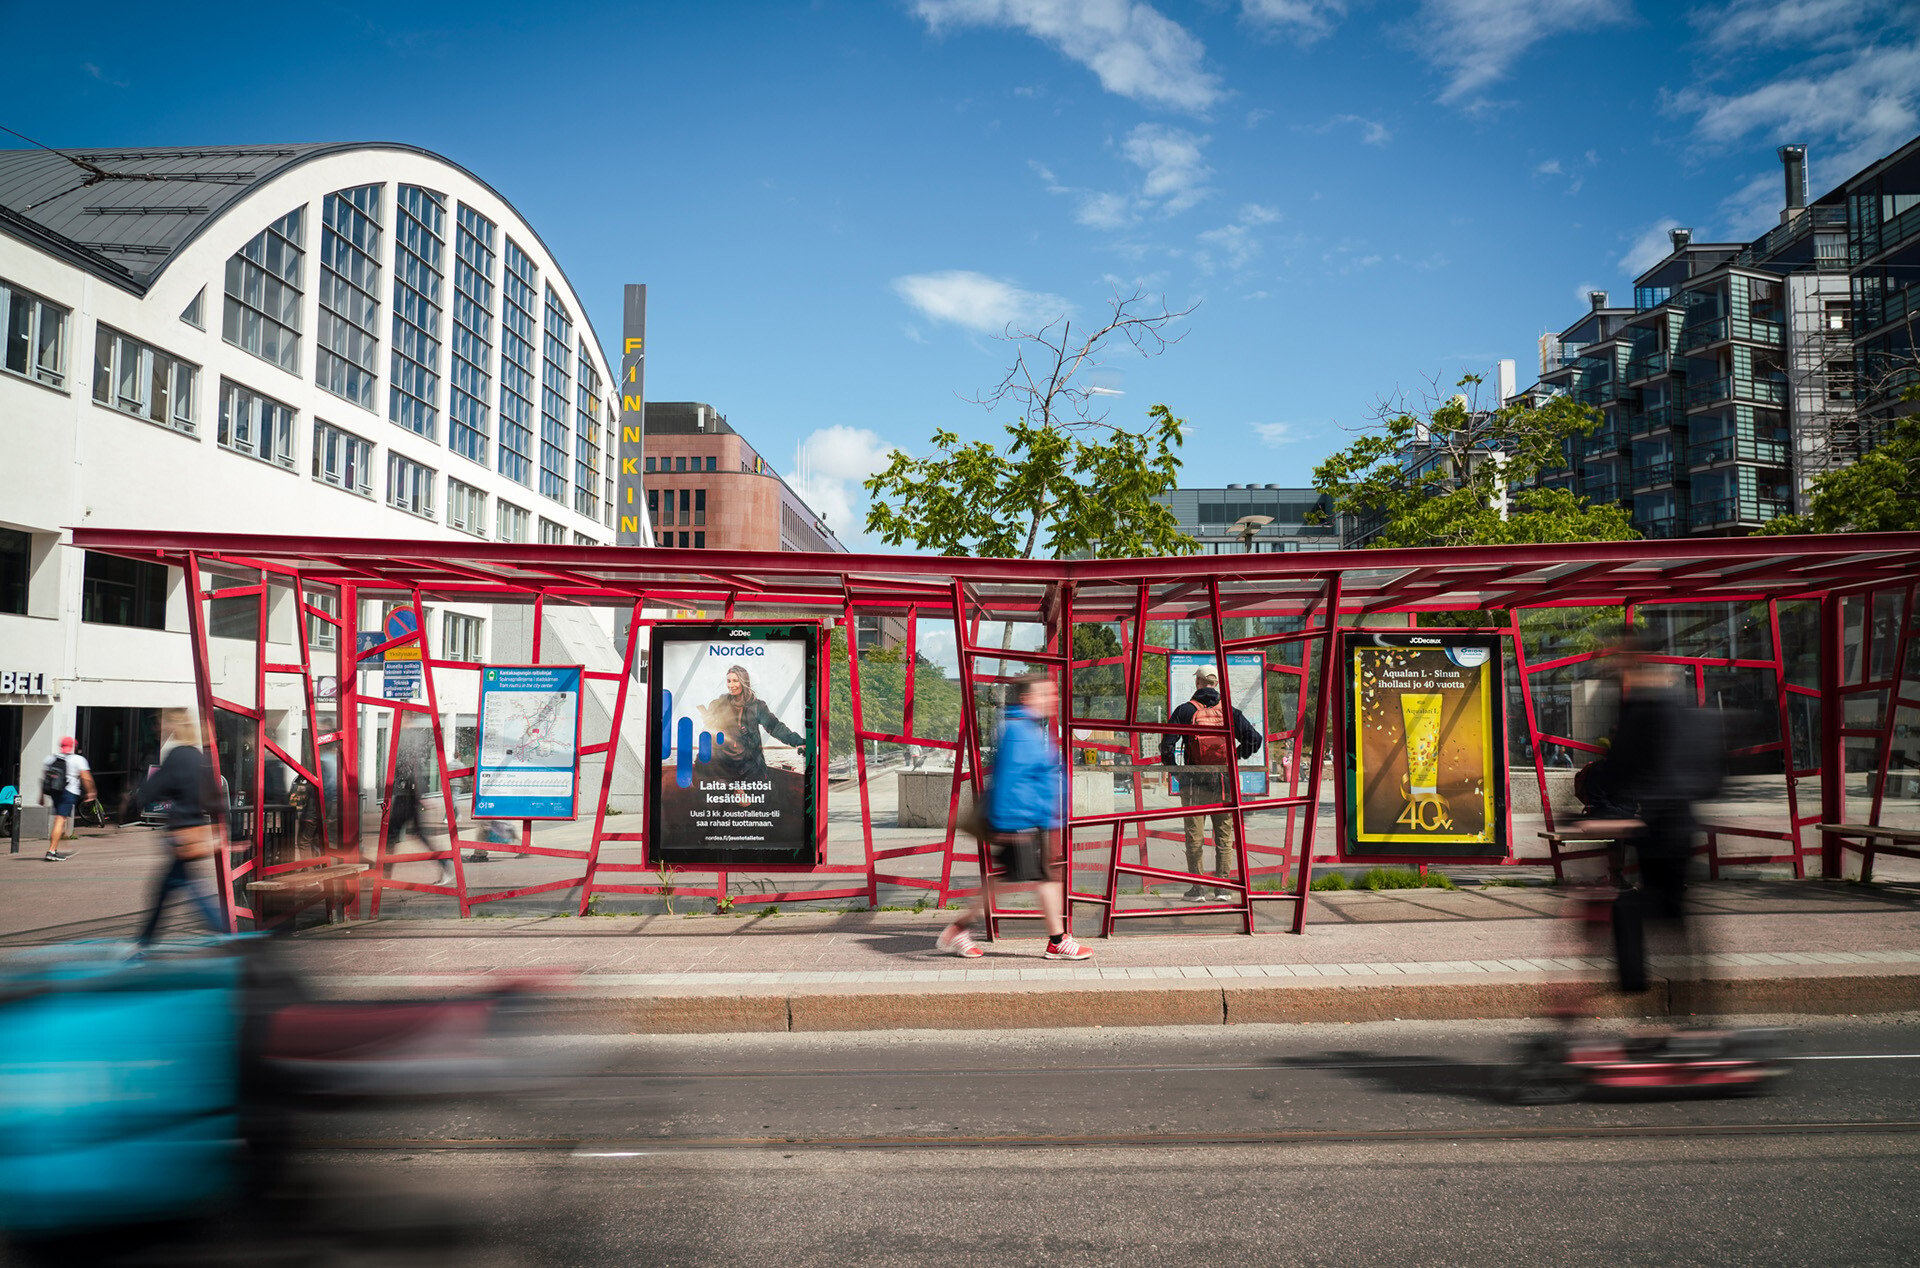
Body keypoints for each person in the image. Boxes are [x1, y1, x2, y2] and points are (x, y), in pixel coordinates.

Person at [1595, 634, 1724, 1004]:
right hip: (1678, 827)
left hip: (1660, 829)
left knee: (1630, 909)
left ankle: (1639, 994)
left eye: (1619, 659)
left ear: (1633, 660)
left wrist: (1595, 814)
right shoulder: (1677, 708)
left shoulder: (1642, 708)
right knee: (1671, 917)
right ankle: (1691, 1012)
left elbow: (1620, 770)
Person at [936, 673, 1092, 961]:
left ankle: (960, 928)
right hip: (1020, 821)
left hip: (1028, 819)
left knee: (1012, 880)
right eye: (1045, 694)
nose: (1052, 699)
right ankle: (1057, 941)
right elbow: (1009, 778)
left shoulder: (1028, 728)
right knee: (1043, 879)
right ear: (1027, 699)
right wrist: (1007, 824)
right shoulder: (1020, 731)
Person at [1159, 668, 1263, 899]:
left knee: (1194, 836)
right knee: (1224, 837)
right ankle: (1223, 888)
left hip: (1194, 785)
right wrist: (1234, 757)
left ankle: (1198, 888)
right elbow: (1255, 739)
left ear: (1197, 682)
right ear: (1215, 684)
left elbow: (1167, 745)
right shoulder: (1230, 712)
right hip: (1224, 783)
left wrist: (1178, 773)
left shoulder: (1185, 711)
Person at [130, 710, 226, 945]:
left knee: (190, 892)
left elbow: (153, 789)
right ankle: (145, 941)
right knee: (167, 890)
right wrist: (227, 831)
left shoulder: (177, 756)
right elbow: (214, 797)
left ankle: (228, 936)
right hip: (195, 829)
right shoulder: (197, 757)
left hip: (181, 834)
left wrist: (136, 800)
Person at [699, 664, 806, 782]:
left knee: (764, 792)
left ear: (744, 682)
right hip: (726, 765)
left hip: (751, 766)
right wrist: (709, 719)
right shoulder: (720, 703)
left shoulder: (757, 706)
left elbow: (775, 727)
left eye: (735, 681)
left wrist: (798, 742)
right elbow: (710, 727)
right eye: (728, 681)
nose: (731, 685)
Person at [384, 750, 454, 886]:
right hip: (407, 801)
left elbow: (414, 779)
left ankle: (384, 875)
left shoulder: (407, 759)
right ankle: (445, 863)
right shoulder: (408, 758)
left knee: (391, 838)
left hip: (406, 802)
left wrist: (419, 798)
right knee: (398, 838)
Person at [38, 735, 96, 862]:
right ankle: (51, 851)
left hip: (54, 792)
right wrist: (91, 792)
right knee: (60, 819)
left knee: (59, 819)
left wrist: (41, 796)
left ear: (61, 746)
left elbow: (44, 779)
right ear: (74, 746)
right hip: (68, 792)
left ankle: (56, 847)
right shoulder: (78, 759)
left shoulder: (50, 758)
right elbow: (86, 778)